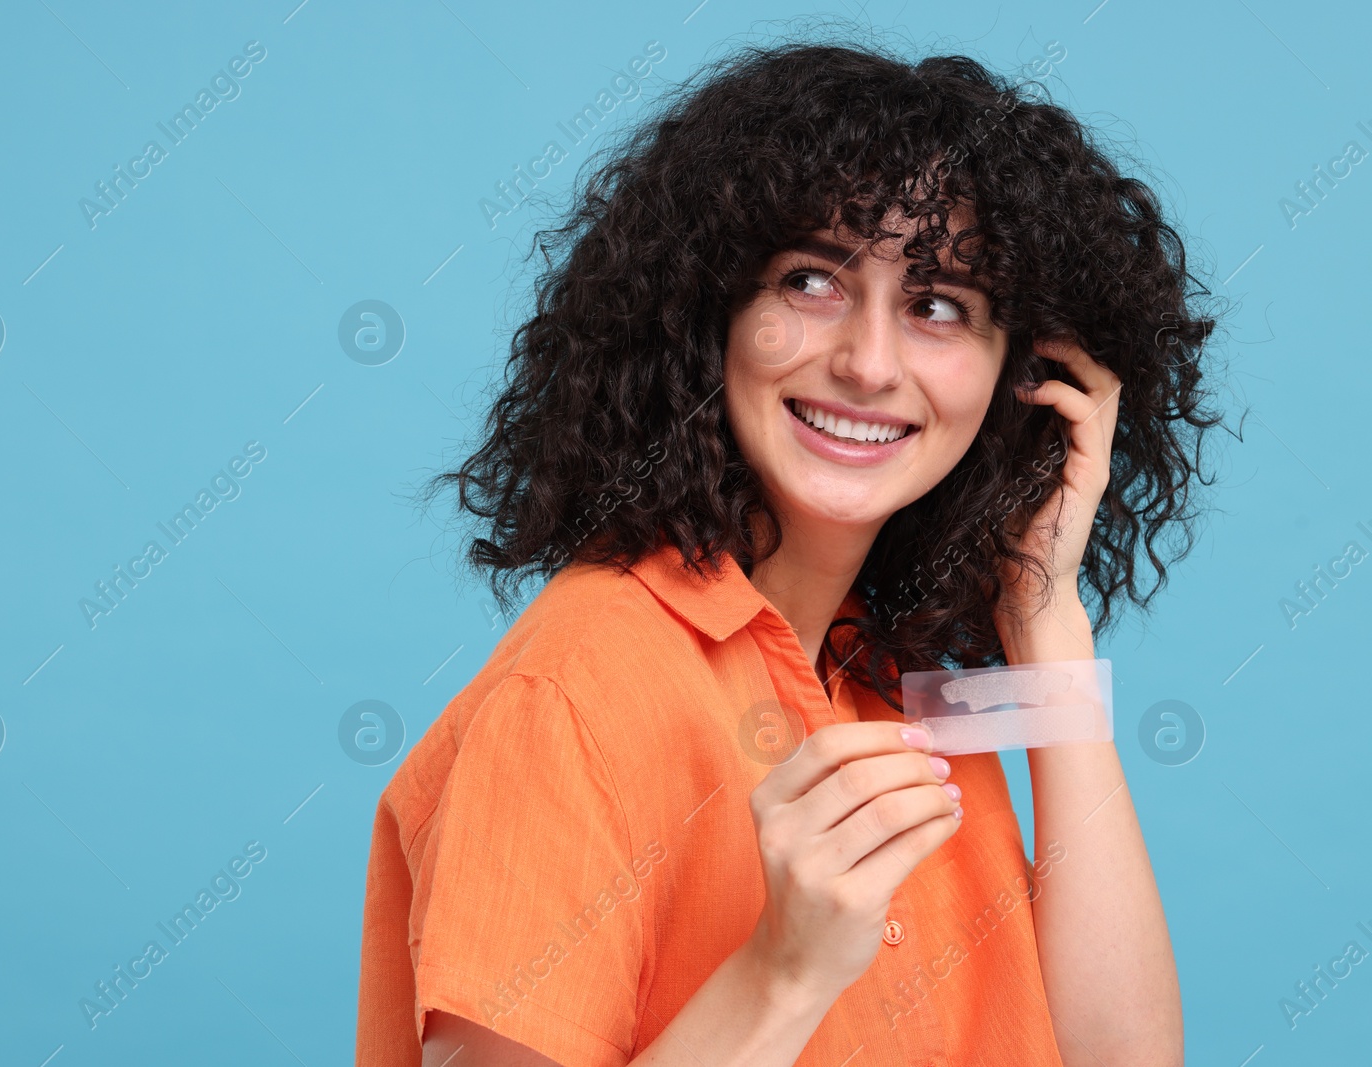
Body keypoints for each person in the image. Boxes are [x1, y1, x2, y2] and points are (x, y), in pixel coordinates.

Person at [357, 29, 1221, 1067]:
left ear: (1015, 380)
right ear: (705, 310)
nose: (866, 362)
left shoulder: (907, 685)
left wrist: (1045, 613)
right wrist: (786, 967)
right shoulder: (573, 692)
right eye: (812, 281)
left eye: (938, 305)